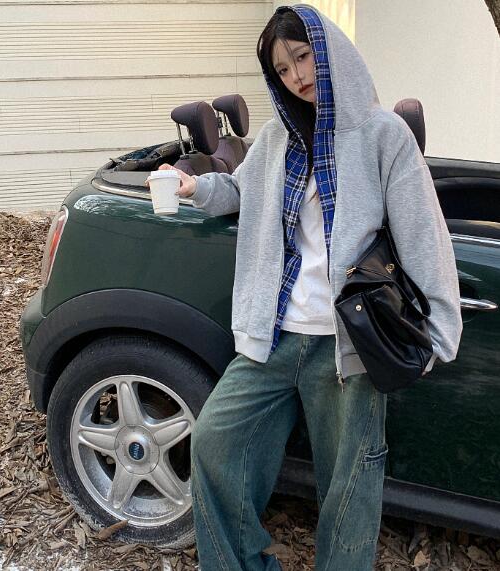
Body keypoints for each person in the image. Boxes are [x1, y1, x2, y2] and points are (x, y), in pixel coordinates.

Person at [146, 4, 462, 570]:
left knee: (349, 489)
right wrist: (193, 187)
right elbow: (240, 192)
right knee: (215, 444)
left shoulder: (382, 135)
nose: (296, 75)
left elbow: (423, 232)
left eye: (302, 56)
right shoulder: (278, 138)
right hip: (274, 334)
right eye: (282, 68)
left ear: (329, 49)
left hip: (349, 344)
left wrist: (439, 330)